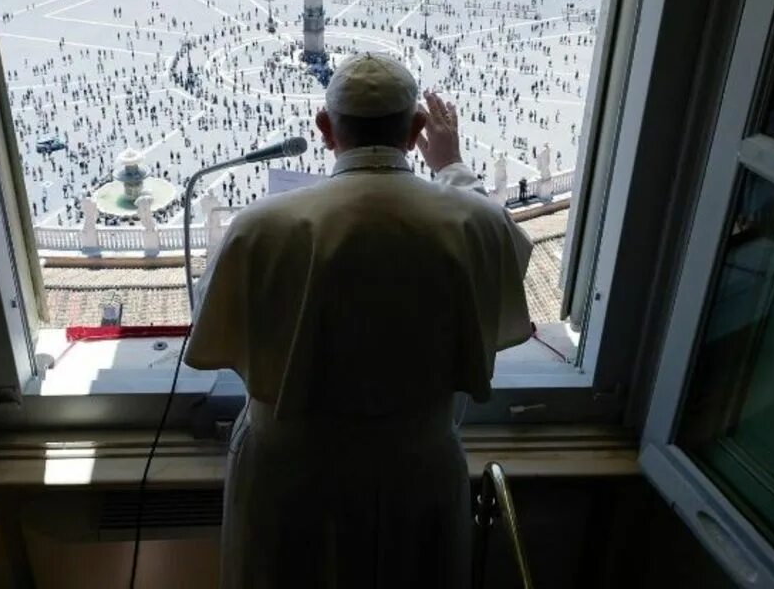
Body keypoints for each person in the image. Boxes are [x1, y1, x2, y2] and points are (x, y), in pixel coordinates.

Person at [184, 53, 534, 589]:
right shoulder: (475, 222)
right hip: (419, 474)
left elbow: (215, 328)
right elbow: (508, 247)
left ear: (324, 130)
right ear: (418, 128)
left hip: (288, 479)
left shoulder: (257, 227)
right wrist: (453, 167)